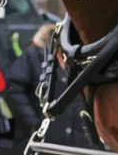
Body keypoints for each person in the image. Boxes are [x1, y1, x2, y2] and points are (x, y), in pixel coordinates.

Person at [5, 24, 96, 153]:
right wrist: (33, 122)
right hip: (45, 141)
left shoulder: (76, 60)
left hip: (79, 140)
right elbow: (13, 90)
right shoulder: (33, 57)